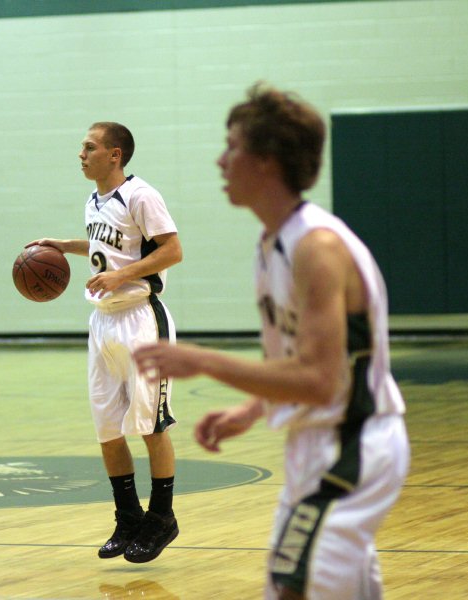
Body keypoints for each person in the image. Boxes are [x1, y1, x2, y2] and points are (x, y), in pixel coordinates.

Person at [133, 83, 410, 599]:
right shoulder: (272, 243)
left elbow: (323, 379)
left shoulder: (316, 247)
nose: (220, 160)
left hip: (354, 444)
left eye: (232, 147)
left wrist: (204, 361)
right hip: (314, 445)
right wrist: (254, 408)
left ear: (266, 162)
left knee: (291, 590)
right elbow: (298, 365)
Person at [27, 122, 183, 563]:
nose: (81, 154)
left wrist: (121, 275)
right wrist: (63, 244)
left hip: (142, 321)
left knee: (151, 425)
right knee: (108, 430)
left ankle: (163, 517)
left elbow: (172, 250)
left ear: (114, 155)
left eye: (89, 147)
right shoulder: (94, 199)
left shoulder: (141, 195)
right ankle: (129, 516)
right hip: (104, 322)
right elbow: (105, 247)